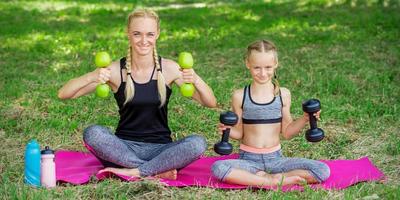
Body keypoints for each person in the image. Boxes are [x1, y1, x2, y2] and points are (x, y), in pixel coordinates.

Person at [58, 8, 217, 180]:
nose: (143, 40)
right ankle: (153, 171)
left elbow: (210, 102)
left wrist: (196, 78)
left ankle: (136, 171)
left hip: (161, 149)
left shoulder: (169, 68)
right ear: (128, 34)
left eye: (149, 34)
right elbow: (65, 94)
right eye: (137, 34)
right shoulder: (115, 70)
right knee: (93, 133)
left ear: (157, 35)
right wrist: (92, 76)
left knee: (197, 143)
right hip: (124, 149)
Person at [211, 40, 330, 187]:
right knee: (218, 168)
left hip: (276, 159)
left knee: (322, 170)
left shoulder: (283, 95)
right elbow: (240, 133)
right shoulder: (240, 96)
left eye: (268, 67)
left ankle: (274, 177)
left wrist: (305, 118)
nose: (262, 73)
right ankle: (268, 180)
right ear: (247, 64)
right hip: (248, 159)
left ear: (276, 64)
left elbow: (287, 132)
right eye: (256, 67)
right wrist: (226, 130)